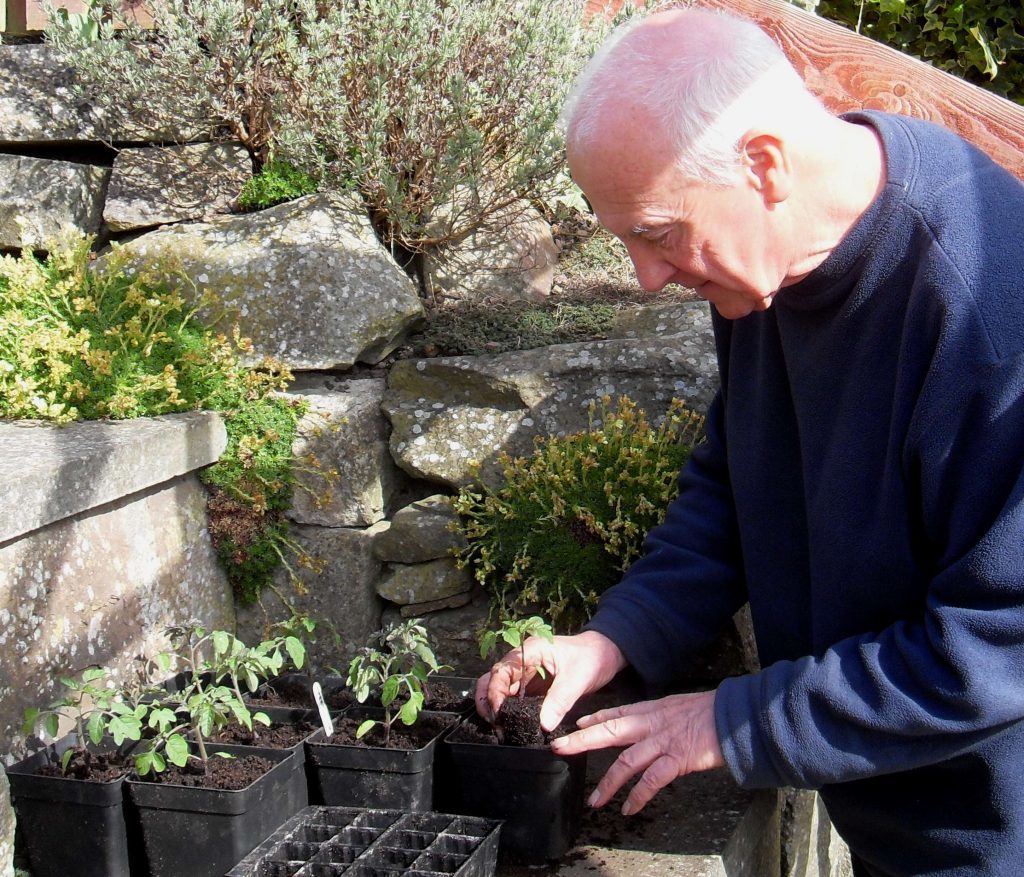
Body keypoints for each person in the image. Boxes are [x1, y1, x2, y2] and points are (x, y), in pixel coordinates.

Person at [476, 7, 1024, 877]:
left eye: (655, 233)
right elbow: (738, 486)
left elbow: (998, 645)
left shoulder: (990, 312)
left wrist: (732, 721)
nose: (647, 277)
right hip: (894, 811)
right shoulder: (761, 269)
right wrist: (613, 637)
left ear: (763, 164)